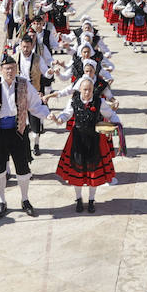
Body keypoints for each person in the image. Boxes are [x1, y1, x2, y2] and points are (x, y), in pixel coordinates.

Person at [0, 54, 52, 219]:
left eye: (12, 68)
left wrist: (48, 115)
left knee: (23, 169)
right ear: (1, 69)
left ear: (16, 69)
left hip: (18, 131)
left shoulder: (24, 84)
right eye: (6, 68)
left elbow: (35, 105)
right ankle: (1, 201)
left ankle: (25, 200)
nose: (10, 71)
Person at [49, 75, 121, 213]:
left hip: (95, 140)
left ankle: (91, 200)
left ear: (93, 89)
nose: (87, 92)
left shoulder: (99, 102)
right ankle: (78, 200)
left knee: (93, 171)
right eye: (84, 90)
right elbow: (65, 115)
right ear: (80, 90)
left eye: (89, 90)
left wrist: (118, 125)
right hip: (77, 140)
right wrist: (57, 119)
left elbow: (111, 114)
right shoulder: (73, 102)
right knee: (77, 171)